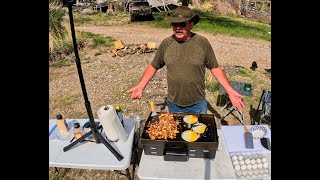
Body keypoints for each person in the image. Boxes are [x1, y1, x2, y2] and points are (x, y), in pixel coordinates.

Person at [128, 6, 244, 114]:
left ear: (191, 24)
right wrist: (140, 86)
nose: (178, 28)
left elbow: (215, 68)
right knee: (177, 134)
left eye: (182, 24)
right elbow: (154, 66)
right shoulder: (166, 44)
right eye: (174, 24)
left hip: (197, 104)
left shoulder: (202, 43)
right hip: (174, 104)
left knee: (199, 134)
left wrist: (230, 91)